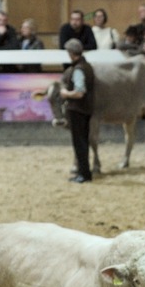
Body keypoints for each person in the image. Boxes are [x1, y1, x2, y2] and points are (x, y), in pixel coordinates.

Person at [60, 39, 94, 184]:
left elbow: (80, 92)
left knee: (79, 143)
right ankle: (84, 172)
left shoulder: (78, 69)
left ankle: (84, 173)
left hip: (77, 109)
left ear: (72, 53)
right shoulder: (87, 66)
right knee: (83, 141)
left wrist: (65, 93)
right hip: (85, 109)